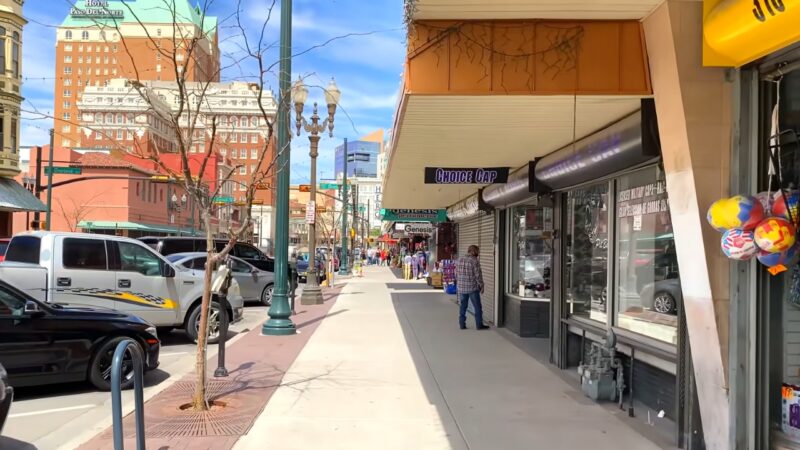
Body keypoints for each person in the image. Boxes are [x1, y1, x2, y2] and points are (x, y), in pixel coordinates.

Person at [455, 245, 488, 330]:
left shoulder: (459, 260)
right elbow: (478, 276)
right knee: (477, 307)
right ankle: (479, 325)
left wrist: (459, 283)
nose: (478, 253)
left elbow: (456, 274)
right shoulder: (474, 261)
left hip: (461, 288)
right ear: (473, 251)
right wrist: (481, 286)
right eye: (477, 251)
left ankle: (462, 324)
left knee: (463, 306)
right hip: (472, 288)